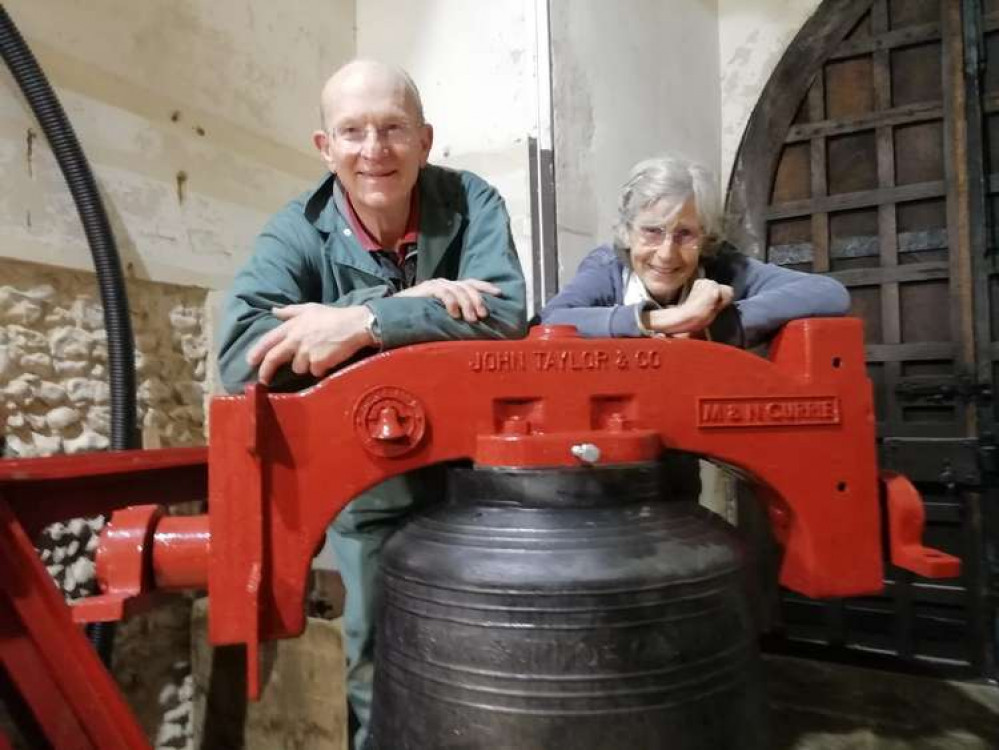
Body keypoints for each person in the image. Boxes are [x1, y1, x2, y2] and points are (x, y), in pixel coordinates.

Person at [217, 60, 527, 749]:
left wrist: (359, 324)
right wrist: (403, 305)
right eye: (351, 132)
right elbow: (241, 354)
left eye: (392, 129)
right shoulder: (294, 232)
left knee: (498, 654)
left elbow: (506, 314)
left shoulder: (472, 201)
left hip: (480, 480)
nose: (373, 150)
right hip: (368, 484)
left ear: (424, 138)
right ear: (325, 148)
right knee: (377, 664)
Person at [540, 154, 850, 345]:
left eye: (685, 234)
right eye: (651, 231)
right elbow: (551, 319)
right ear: (627, 231)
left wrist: (714, 323)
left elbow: (829, 293)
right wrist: (668, 319)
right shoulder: (608, 267)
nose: (666, 253)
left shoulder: (723, 265)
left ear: (705, 238)